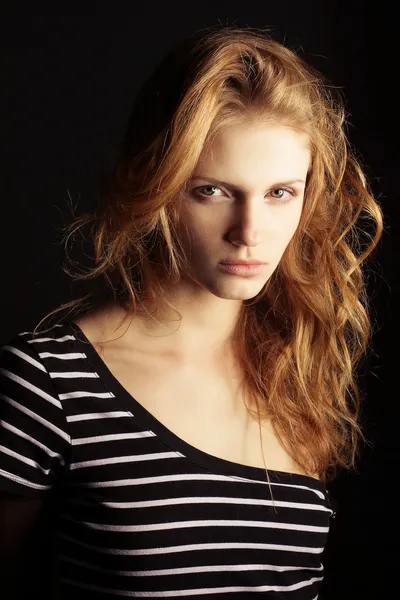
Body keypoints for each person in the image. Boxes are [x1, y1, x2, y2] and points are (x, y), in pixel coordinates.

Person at [0, 24, 383, 599]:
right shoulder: (49, 385)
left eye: (281, 192)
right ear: (157, 184)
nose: (249, 233)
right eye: (213, 191)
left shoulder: (298, 371)